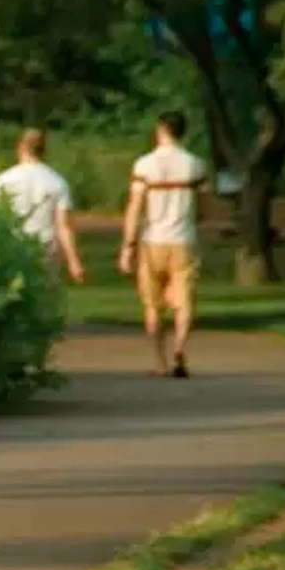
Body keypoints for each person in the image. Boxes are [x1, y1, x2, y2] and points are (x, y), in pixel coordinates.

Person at [119, 111, 208, 378]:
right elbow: (204, 206)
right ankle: (180, 349)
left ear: (160, 130)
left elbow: (134, 208)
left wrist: (128, 246)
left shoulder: (144, 165)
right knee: (184, 300)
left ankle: (160, 361)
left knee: (152, 304)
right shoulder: (195, 165)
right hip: (184, 239)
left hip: (152, 240)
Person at [0, 128, 86, 284]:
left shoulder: (4, 181)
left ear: (20, 147)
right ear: (44, 150)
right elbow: (64, 226)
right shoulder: (57, 181)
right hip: (46, 247)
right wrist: (74, 262)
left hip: (13, 246)